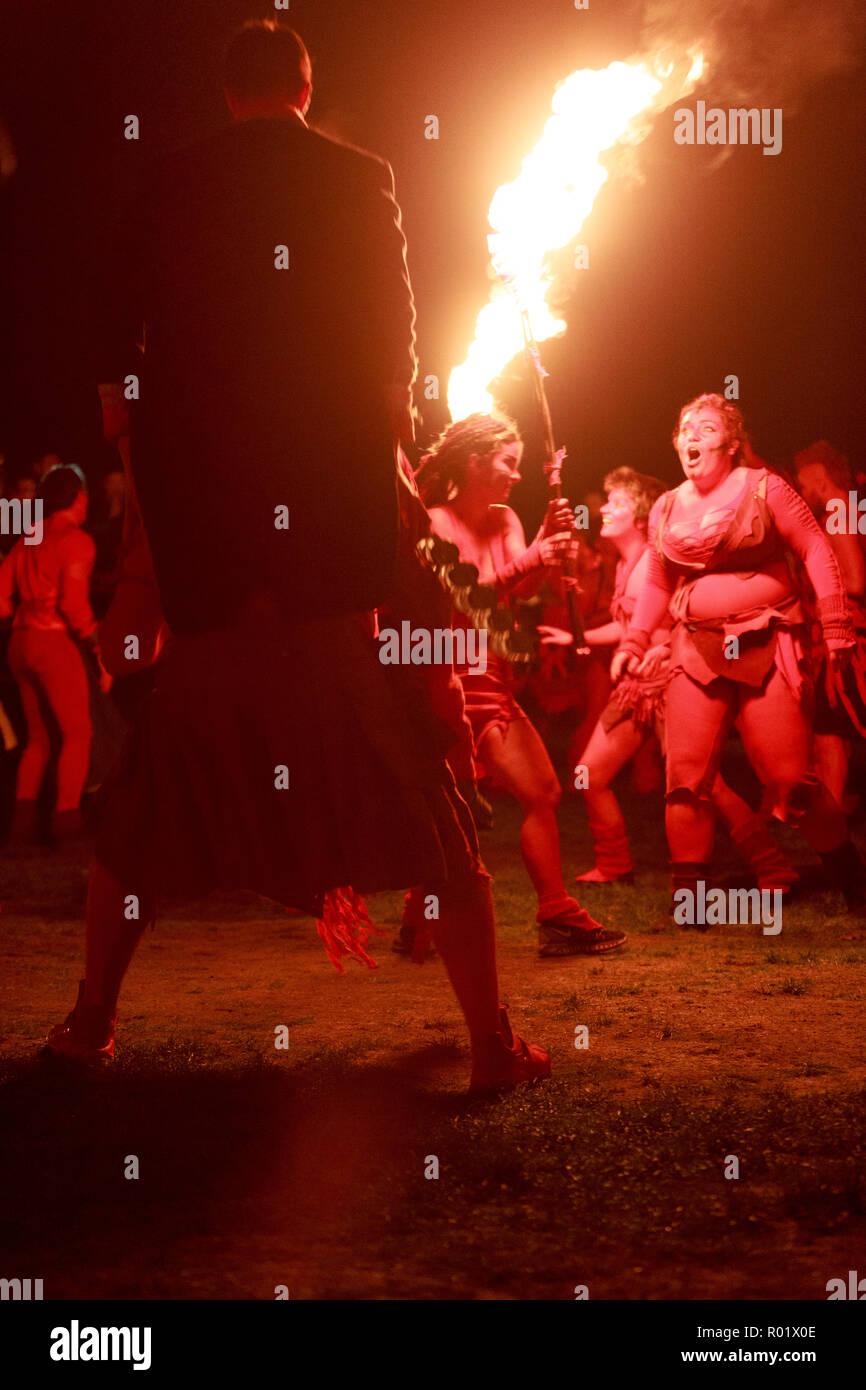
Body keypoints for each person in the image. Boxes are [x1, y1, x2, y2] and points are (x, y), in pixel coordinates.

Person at [44, 20, 550, 1093]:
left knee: (143, 817)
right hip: (328, 547)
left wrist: (129, 432)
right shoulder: (358, 175)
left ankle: (90, 1022)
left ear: (227, 89)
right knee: (428, 804)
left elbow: (112, 319)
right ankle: (490, 1043)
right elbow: (389, 329)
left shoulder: (172, 177)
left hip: (212, 554)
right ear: (305, 87)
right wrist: (389, 455)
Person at [612, 394, 864, 915]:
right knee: (685, 779)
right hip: (695, 647)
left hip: (768, 641)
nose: (692, 437)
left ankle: (850, 874)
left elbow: (815, 548)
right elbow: (659, 579)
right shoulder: (666, 507)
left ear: (729, 442)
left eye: (706, 428)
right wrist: (635, 640)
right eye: (685, 429)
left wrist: (837, 621)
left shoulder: (764, 487)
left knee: (791, 781)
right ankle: (692, 902)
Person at [415, 412, 626, 956]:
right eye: (508, 462)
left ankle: (540, 914)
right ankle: (430, 914)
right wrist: (532, 557)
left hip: (495, 679)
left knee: (535, 793)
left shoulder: (506, 518)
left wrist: (547, 544)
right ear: (475, 459)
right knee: (459, 804)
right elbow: (463, 599)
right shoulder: (432, 521)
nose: (516, 474)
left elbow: (522, 586)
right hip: (447, 680)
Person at [574, 466, 796, 892]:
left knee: (704, 787)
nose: (604, 508)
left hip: (668, 684)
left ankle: (772, 866)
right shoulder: (623, 565)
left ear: (641, 517)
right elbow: (631, 626)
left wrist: (664, 649)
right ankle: (614, 864)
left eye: (616, 502)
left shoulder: (657, 562)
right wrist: (575, 635)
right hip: (636, 687)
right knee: (590, 772)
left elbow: (685, 615)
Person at [0, 464, 112, 842]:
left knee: (38, 738)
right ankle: (67, 821)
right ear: (78, 497)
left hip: (20, 641)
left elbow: (1, 594)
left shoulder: (30, 534)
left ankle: (22, 824)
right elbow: (76, 609)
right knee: (78, 732)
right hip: (54, 642)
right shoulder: (77, 541)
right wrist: (101, 644)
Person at [794, 442, 866, 811]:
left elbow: (854, 580)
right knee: (830, 731)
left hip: (850, 641)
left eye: (805, 486)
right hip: (844, 638)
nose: (803, 494)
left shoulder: (838, 512)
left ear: (820, 481)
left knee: (832, 730)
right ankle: (833, 813)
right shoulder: (852, 510)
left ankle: (833, 812)